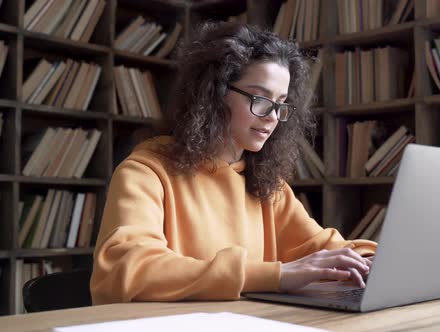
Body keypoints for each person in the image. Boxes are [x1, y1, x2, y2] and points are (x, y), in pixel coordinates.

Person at [90, 21, 377, 305]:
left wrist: (373, 262)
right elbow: (128, 268)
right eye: (260, 98)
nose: (273, 116)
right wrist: (276, 275)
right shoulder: (146, 171)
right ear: (214, 93)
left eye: (280, 103)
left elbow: (325, 248)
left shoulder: (266, 186)